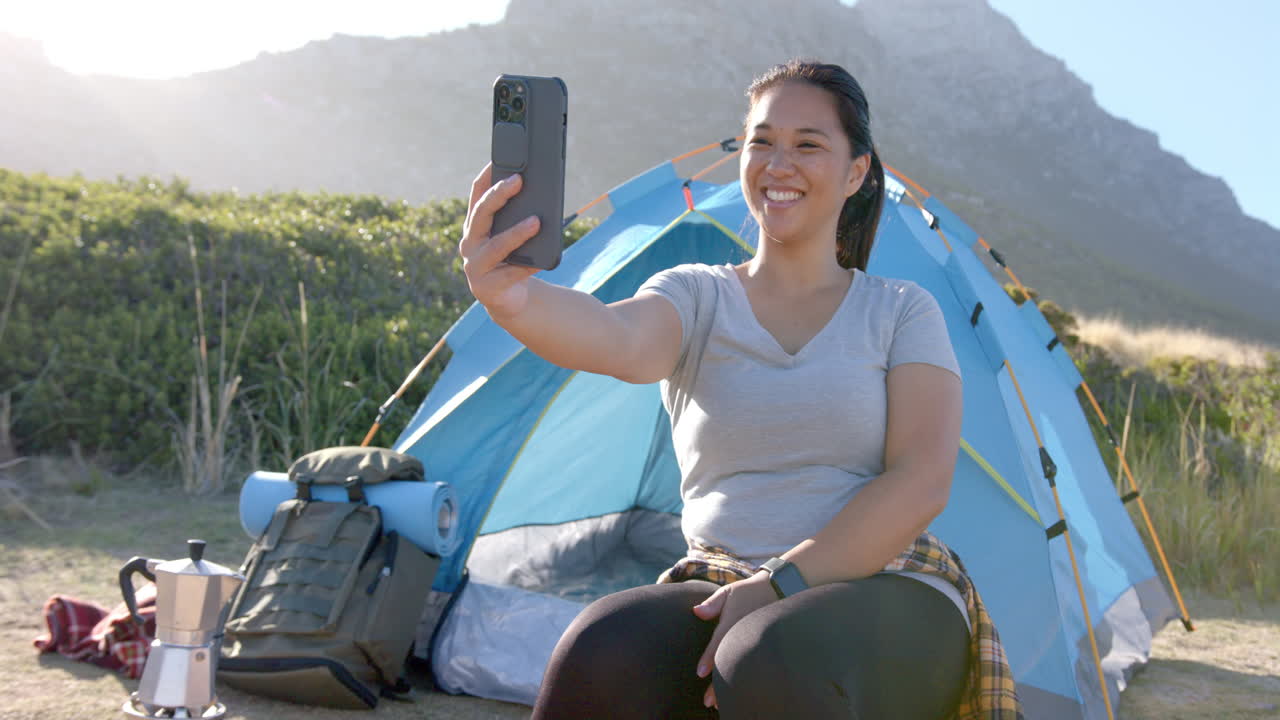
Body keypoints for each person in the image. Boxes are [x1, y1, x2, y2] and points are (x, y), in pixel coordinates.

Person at [458, 59, 1022, 719]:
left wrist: (782, 583)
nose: (779, 163)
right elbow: (615, 338)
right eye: (762, 141)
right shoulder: (697, 295)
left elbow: (922, 480)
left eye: (808, 145)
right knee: (599, 645)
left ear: (856, 172)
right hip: (723, 576)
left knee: (766, 652)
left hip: (886, 581)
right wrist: (512, 298)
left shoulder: (901, 310)